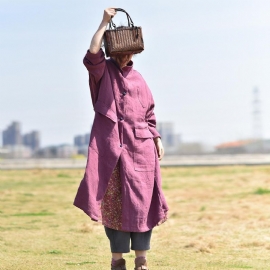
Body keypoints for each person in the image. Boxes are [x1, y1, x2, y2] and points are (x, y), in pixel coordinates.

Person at [74, 8, 168, 270]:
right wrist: (105, 22)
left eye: (129, 52)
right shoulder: (103, 73)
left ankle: (141, 260)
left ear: (135, 51)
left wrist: (156, 138)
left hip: (142, 152)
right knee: (113, 206)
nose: (125, 55)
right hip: (112, 153)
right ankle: (117, 261)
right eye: (121, 51)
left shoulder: (140, 79)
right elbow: (92, 54)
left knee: (142, 205)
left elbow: (149, 115)